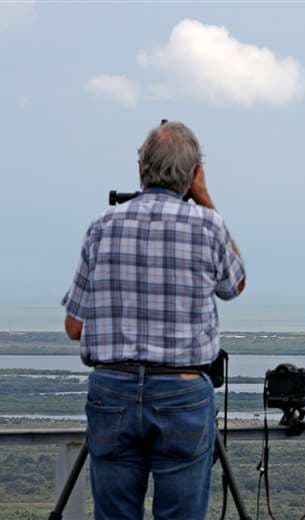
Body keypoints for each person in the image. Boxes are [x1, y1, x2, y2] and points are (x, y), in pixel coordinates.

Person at [61, 121, 246, 520]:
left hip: (112, 392)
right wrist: (206, 200)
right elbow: (235, 284)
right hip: (182, 393)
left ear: (140, 168)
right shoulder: (208, 227)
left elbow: (73, 326)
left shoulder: (102, 226)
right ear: (194, 173)